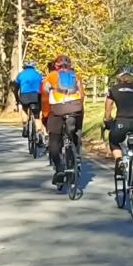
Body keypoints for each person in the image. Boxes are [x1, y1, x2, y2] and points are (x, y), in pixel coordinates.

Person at [41, 54, 85, 185]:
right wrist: (80, 113)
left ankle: (59, 169)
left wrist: (45, 115)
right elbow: (82, 96)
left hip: (57, 110)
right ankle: (76, 154)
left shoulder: (51, 76)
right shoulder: (76, 76)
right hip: (75, 109)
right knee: (76, 131)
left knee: (54, 140)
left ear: (56, 65)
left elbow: (44, 97)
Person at [103, 65, 133, 165]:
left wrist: (108, 121)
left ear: (120, 77)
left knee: (114, 141)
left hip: (122, 121)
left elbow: (108, 107)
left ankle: (119, 160)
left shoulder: (113, 90)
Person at [12, 61, 43, 139]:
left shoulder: (21, 75)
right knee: (37, 116)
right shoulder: (38, 75)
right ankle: (39, 133)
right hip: (36, 95)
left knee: (25, 109)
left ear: (24, 67)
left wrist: (17, 99)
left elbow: (16, 88)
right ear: (34, 67)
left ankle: (25, 127)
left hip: (24, 95)